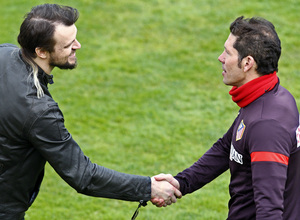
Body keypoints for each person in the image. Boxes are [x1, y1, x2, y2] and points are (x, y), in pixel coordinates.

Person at [0, 4, 181, 219]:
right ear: (41, 51)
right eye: (68, 45)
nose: (78, 45)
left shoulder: (4, 53)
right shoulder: (39, 112)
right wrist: (149, 188)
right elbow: (83, 175)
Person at [152, 16, 300, 219]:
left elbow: (270, 210)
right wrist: (181, 183)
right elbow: (227, 147)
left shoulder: (266, 125)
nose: (220, 58)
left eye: (228, 52)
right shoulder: (267, 97)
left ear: (248, 63)